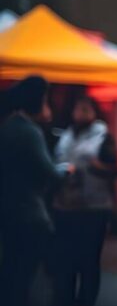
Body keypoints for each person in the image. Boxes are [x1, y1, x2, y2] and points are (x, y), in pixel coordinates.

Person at [0, 76, 73, 306]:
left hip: (9, 210)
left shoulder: (8, 126)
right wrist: (66, 170)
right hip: (30, 214)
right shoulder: (29, 132)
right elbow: (50, 173)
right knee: (22, 277)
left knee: (11, 272)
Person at [52, 94, 117, 306]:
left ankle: (85, 301)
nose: (80, 113)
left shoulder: (103, 136)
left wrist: (97, 167)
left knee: (89, 260)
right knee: (65, 259)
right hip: (65, 205)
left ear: (94, 112)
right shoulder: (66, 134)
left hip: (94, 207)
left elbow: (116, 169)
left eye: (85, 109)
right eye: (78, 108)